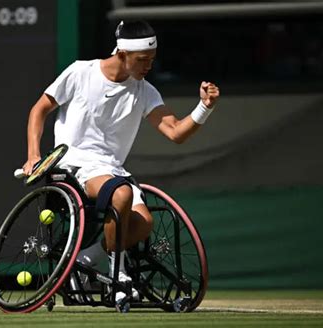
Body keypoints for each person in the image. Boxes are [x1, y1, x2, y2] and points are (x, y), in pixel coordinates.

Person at [22, 20, 219, 304]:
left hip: (112, 170)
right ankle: (119, 277)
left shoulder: (145, 91)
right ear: (122, 54)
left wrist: (205, 108)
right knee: (122, 193)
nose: (148, 66)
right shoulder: (81, 72)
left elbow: (175, 132)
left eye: (152, 59)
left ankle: (83, 261)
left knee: (143, 225)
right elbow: (39, 109)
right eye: (142, 60)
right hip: (73, 164)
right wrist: (33, 155)